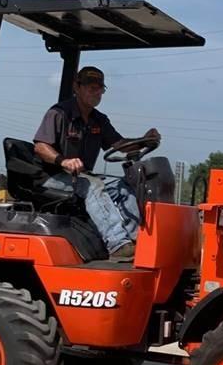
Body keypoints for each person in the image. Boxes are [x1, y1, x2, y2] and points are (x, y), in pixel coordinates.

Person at [33, 66, 160, 260]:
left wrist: (144, 140)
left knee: (121, 185)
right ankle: (117, 243)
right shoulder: (59, 113)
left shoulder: (99, 120)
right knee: (92, 185)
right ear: (77, 87)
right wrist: (63, 160)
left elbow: (119, 144)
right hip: (52, 176)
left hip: (81, 176)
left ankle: (139, 240)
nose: (96, 92)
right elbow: (40, 146)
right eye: (91, 87)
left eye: (100, 88)